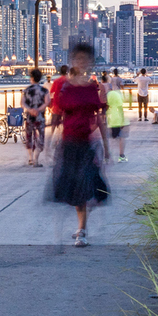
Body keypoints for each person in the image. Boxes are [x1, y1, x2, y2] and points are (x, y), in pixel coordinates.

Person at [46, 42, 109, 244]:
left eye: (85, 59)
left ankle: (82, 230)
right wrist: (49, 142)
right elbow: (57, 114)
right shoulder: (65, 87)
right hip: (68, 144)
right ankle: (81, 226)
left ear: (90, 62)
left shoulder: (92, 88)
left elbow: (99, 118)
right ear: (72, 61)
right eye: (78, 58)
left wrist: (107, 147)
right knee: (73, 189)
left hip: (86, 145)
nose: (81, 62)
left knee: (86, 187)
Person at [21, 68, 50, 168]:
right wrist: (38, 110)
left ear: (31, 78)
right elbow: (47, 102)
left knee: (29, 137)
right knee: (40, 139)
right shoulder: (44, 90)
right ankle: (36, 160)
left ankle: (30, 158)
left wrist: (30, 110)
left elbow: (22, 103)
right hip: (40, 117)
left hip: (29, 117)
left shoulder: (26, 90)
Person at [103, 73, 129, 162]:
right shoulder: (116, 94)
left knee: (107, 139)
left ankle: (106, 157)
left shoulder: (105, 95)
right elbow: (120, 108)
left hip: (109, 118)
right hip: (117, 118)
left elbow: (104, 107)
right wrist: (122, 120)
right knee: (121, 138)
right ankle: (121, 156)